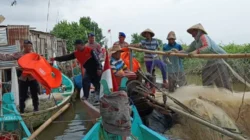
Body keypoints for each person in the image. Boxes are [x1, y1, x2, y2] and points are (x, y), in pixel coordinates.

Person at [186, 23, 232, 91]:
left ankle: (227, 94)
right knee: (205, 74)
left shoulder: (203, 36)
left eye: (194, 31)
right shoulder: (195, 42)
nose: (192, 34)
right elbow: (187, 51)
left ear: (199, 31)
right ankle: (209, 92)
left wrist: (196, 51)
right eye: (192, 32)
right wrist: (177, 52)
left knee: (221, 78)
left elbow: (207, 46)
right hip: (212, 60)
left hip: (220, 58)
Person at [0, 40, 39, 113]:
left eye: (30, 46)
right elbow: (8, 57)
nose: (29, 48)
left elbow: (40, 64)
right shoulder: (19, 54)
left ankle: (36, 108)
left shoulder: (34, 55)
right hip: (23, 77)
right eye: (28, 46)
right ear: (24, 46)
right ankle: (21, 111)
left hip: (33, 77)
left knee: (34, 94)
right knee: (22, 96)